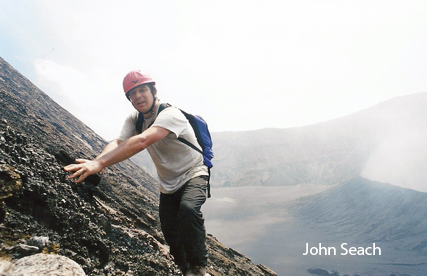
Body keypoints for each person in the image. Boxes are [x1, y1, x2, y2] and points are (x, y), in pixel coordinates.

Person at [64, 70, 209, 276]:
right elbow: (119, 142)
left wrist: (100, 165)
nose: (138, 96)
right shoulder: (135, 119)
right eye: (133, 93)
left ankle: (198, 268)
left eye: (142, 90)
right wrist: (96, 162)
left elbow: (142, 141)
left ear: (154, 91)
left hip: (194, 173)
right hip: (168, 183)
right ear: (129, 99)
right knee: (170, 231)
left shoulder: (170, 114)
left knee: (188, 210)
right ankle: (185, 270)